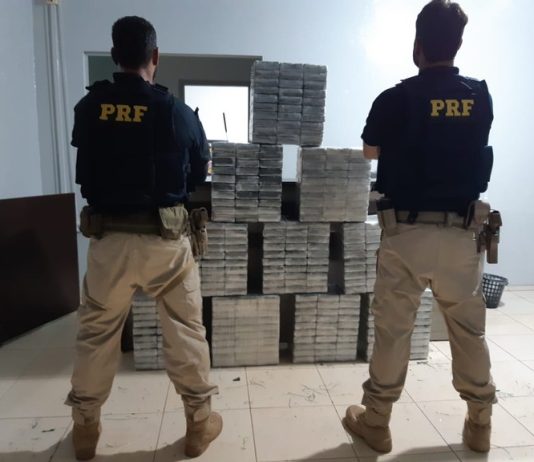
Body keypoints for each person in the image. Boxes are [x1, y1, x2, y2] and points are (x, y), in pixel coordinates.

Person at [343, 0, 497, 454]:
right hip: (462, 235)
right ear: (458, 44)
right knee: (468, 331)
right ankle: (480, 422)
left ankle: (376, 422)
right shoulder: (479, 96)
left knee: (394, 331)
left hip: (406, 235)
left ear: (417, 45)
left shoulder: (395, 98)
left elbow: (370, 151)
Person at [65, 16, 222, 460]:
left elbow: (85, 168)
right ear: (155, 56)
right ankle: (198, 424)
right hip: (165, 242)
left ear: (115, 55)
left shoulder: (89, 107)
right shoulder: (176, 112)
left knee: (96, 334)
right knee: (185, 332)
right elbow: (197, 175)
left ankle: (86, 428)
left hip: (108, 242)